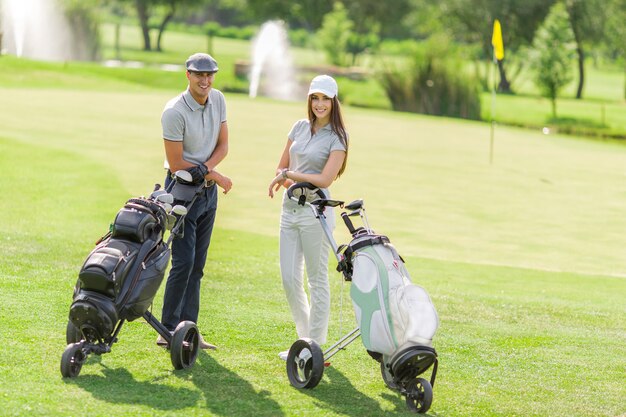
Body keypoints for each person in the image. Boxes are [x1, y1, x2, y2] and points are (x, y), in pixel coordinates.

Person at [268, 75, 349, 360]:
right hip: (290, 210)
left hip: (317, 213)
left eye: (325, 99)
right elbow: (281, 165)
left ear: (333, 101)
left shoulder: (338, 137)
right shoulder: (299, 127)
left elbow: (325, 178)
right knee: (290, 278)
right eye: (315, 98)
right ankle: (304, 343)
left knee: (317, 279)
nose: (319, 104)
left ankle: (316, 346)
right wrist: (289, 180)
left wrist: (290, 176)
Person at [157, 52, 233, 349]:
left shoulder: (219, 99)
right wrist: (213, 175)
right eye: (199, 74)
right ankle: (166, 330)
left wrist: (210, 173)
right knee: (183, 261)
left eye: (210, 74)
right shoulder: (174, 111)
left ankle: (188, 330)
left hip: (207, 191)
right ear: (187, 75)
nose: (205, 80)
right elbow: (176, 165)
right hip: (181, 191)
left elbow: (224, 144)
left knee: (198, 265)